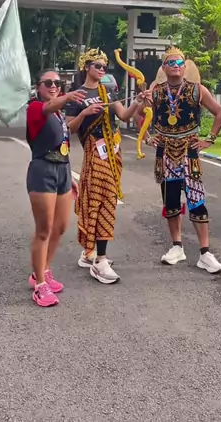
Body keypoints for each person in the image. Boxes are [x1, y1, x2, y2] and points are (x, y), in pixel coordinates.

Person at [141, 47, 221, 273]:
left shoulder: (197, 89)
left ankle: (205, 252)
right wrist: (147, 136)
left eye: (179, 63)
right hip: (165, 151)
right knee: (170, 202)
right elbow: (142, 114)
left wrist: (210, 139)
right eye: (171, 63)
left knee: (196, 200)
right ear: (164, 67)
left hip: (189, 151)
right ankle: (176, 246)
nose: (176, 66)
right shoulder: (156, 92)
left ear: (185, 67)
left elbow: (220, 112)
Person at [65, 48, 143, 285]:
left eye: (104, 67)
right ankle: (100, 259)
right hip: (94, 154)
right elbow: (69, 128)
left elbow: (125, 116)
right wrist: (85, 113)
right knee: (103, 201)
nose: (101, 70)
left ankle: (90, 252)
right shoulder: (77, 95)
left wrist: (138, 101)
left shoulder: (108, 91)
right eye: (97, 66)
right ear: (86, 67)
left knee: (104, 201)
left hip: (113, 153)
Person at [26, 70, 86, 308]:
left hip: (62, 171)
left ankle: (44, 270)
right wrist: (68, 97)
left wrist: (70, 176)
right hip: (43, 171)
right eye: (48, 82)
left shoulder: (58, 114)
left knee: (60, 227)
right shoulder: (35, 108)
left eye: (57, 83)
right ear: (38, 87)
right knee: (44, 230)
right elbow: (47, 108)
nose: (53, 86)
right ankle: (39, 284)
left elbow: (64, 142)